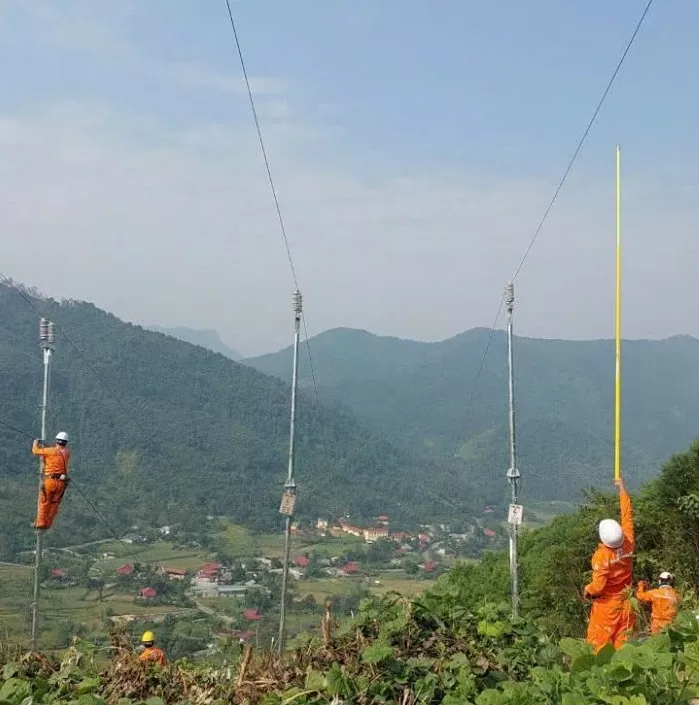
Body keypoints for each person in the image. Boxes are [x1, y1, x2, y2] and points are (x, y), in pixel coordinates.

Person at [583, 476, 635, 652]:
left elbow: (598, 587)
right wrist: (622, 489)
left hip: (607, 608)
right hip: (627, 604)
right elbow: (627, 514)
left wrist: (587, 590)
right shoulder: (628, 542)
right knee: (624, 648)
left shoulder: (601, 556)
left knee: (599, 649)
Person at [31, 431, 71, 530]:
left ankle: (40, 523)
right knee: (54, 504)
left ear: (56, 441)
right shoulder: (67, 453)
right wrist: (47, 447)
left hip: (50, 481)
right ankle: (48, 524)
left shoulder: (50, 451)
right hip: (61, 483)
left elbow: (35, 451)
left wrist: (35, 443)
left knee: (45, 502)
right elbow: (57, 452)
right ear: (66, 443)